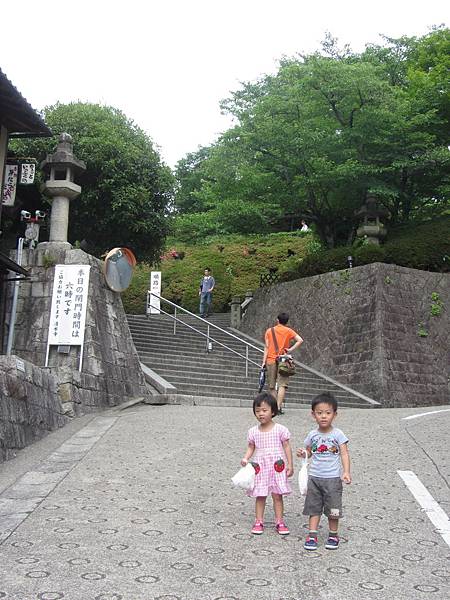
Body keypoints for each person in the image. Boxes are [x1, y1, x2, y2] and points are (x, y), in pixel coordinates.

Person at [297, 392, 351, 551]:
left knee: (333, 508)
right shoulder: (312, 435)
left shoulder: (338, 434)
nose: (324, 416)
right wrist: (303, 454)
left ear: (335, 414)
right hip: (314, 477)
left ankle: (333, 534)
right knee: (313, 507)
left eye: (328, 413)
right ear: (313, 414)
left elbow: (344, 453)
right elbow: (309, 452)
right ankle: (312, 534)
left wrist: (346, 471)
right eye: (319, 413)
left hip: (333, 479)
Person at [240, 392, 293, 535]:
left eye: (264, 410)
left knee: (277, 495)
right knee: (260, 494)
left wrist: (290, 464)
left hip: (277, 466)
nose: (261, 414)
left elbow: (287, 446)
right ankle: (259, 521)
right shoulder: (253, 431)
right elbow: (251, 446)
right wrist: (246, 458)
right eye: (257, 411)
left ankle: (279, 521)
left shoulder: (280, 430)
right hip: (260, 466)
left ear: (273, 411)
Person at [262, 313, 303, 414]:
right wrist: (289, 349)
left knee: (272, 386)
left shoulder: (269, 331)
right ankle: (279, 407)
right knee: (282, 385)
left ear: (277, 320)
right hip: (283, 360)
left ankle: (273, 408)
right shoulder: (289, 331)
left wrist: (263, 362)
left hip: (271, 360)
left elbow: (266, 348)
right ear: (287, 321)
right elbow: (300, 340)